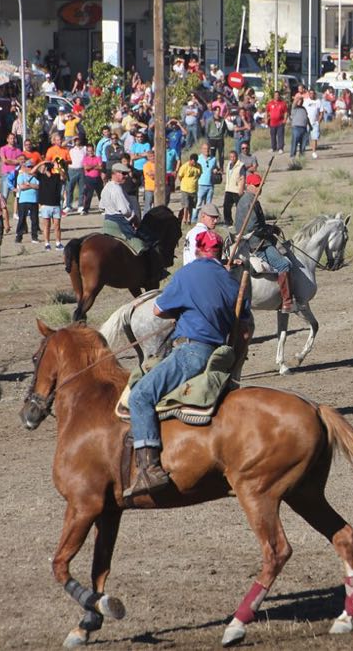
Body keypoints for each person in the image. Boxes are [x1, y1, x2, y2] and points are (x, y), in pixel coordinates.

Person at [125, 228, 249, 498]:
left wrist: (181, 309)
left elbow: (158, 309)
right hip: (219, 355)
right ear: (219, 252)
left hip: (190, 353)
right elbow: (245, 325)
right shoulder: (232, 282)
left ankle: (150, 469)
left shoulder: (187, 274)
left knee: (140, 396)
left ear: (199, 250)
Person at [235, 172, 297, 312]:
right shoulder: (249, 202)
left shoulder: (250, 199)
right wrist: (268, 231)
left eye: (260, 185)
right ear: (249, 185)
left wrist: (270, 228)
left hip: (254, 238)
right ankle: (287, 303)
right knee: (284, 265)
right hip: (256, 243)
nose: (259, 188)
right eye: (257, 185)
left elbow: (258, 225)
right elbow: (253, 228)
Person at [35, 161, 65, 250]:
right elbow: (32, 172)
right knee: (46, 226)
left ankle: (58, 243)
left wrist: (58, 168)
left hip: (56, 205)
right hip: (45, 205)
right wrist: (42, 162)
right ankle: (47, 243)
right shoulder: (41, 177)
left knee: (57, 226)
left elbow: (63, 176)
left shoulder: (56, 177)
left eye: (43, 167)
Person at [14, 158, 41, 243]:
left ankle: (34, 236)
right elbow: (21, 187)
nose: (30, 168)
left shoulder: (35, 177)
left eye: (31, 167)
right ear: (25, 167)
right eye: (28, 167)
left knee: (35, 219)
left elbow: (39, 186)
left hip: (34, 200)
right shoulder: (21, 176)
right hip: (23, 201)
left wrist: (28, 184)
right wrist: (32, 186)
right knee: (22, 219)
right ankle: (19, 236)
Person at [194, 143, 219, 223]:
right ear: (202, 149)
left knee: (208, 205)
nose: (206, 150)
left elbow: (217, 168)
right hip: (200, 184)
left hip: (210, 185)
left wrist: (216, 170)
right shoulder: (198, 158)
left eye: (208, 149)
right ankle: (193, 219)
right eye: (204, 149)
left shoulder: (213, 159)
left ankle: (207, 221)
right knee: (198, 204)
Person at [176, 153, 202, 225]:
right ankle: (184, 219)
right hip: (185, 189)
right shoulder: (184, 166)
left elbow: (199, 175)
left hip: (194, 189)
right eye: (193, 162)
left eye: (195, 162)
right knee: (186, 205)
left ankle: (189, 219)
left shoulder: (199, 166)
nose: (194, 163)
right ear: (190, 160)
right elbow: (180, 176)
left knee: (191, 206)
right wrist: (184, 183)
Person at [223, 150, 244, 225]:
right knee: (226, 206)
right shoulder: (229, 164)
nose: (232, 158)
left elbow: (242, 178)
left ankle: (241, 222)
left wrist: (241, 188)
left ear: (237, 157)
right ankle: (228, 222)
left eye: (234, 157)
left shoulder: (241, 165)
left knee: (239, 207)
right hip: (228, 189)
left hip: (236, 190)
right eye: (231, 157)